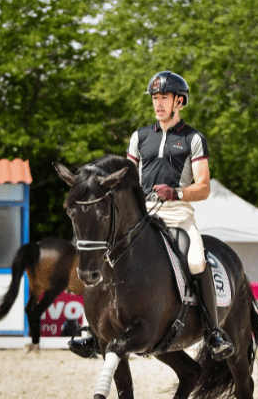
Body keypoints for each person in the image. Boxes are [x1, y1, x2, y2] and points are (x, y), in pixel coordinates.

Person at [70, 70, 234, 361]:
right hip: (143, 214)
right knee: (107, 255)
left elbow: (204, 187)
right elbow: (125, 176)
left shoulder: (193, 139)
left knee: (196, 259)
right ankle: (93, 329)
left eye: (164, 98)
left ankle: (212, 331)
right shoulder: (140, 137)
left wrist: (177, 192)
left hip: (178, 214)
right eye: (155, 98)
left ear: (179, 102)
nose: (158, 104)